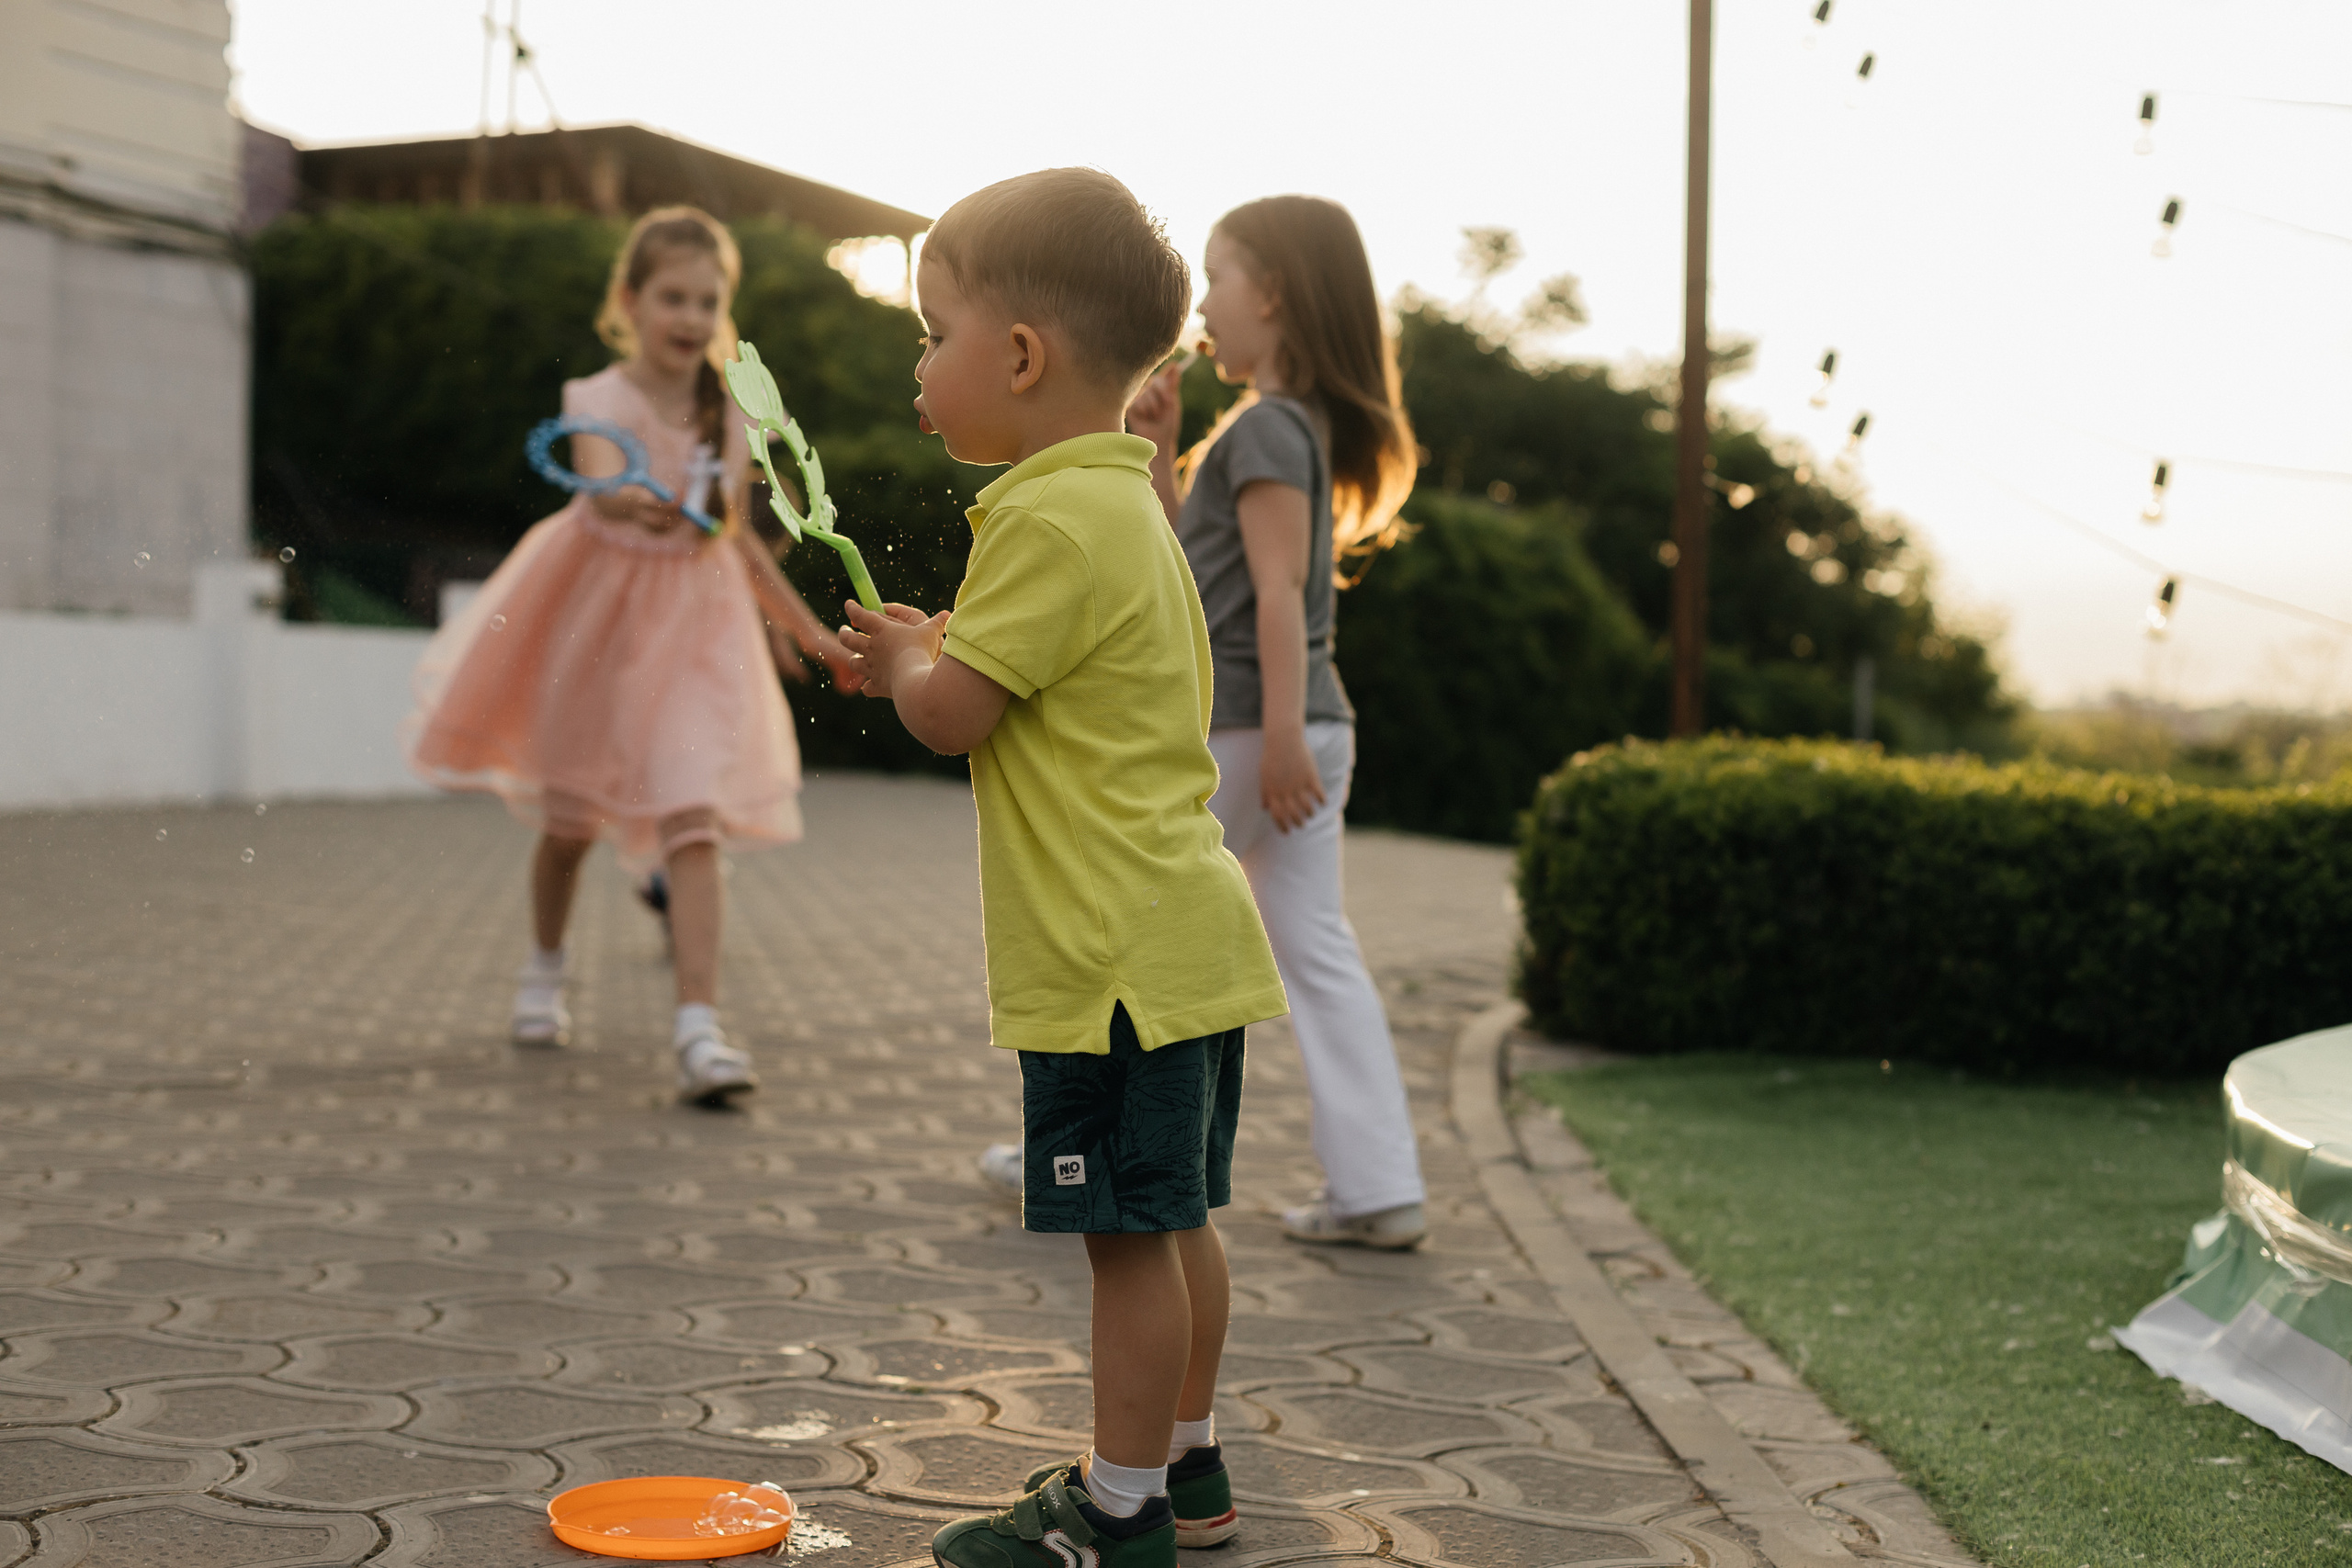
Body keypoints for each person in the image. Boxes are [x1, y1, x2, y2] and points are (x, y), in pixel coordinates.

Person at [841, 168, 1284, 1568]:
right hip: (1184, 937)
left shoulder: (1043, 516)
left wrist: (912, 658)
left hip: (1107, 963)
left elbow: (952, 711)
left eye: (934, 331)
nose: (922, 360)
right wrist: (939, 644)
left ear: (1019, 355)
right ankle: (1187, 1464)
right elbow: (1012, 672)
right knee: (1178, 1215)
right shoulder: (1121, 507)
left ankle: (1118, 1510)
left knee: (1122, 1240)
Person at [982, 196, 1430, 1250]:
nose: (1205, 307)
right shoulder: (1283, 424)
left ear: (1271, 292)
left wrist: (1275, 733)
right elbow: (1200, 570)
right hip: (1301, 723)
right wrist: (1171, 452)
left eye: (1221, 277)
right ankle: (1382, 1186)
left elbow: (1272, 593)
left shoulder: (1272, 424)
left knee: (1120, 915)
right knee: (1315, 950)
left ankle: (1077, 1141)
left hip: (1257, 727)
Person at [404, 206, 851, 1107]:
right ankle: (543, 969)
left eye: (707, 299)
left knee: (694, 816)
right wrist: (628, 504)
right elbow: (599, 492)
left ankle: (698, 1028)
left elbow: (736, 537)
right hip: (597, 628)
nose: (689, 316)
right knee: (569, 827)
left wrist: (809, 634)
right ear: (630, 301)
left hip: (694, 632)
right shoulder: (595, 397)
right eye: (672, 297)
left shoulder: (727, 406)